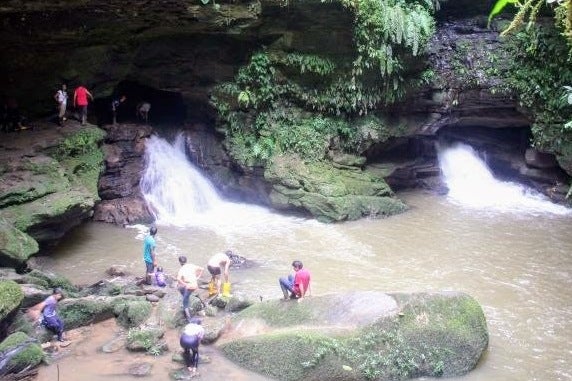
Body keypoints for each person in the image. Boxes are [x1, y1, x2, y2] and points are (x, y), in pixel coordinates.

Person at [177, 255, 204, 322]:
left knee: (184, 302)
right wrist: (198, 277)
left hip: (189, 287)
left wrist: (185, 284)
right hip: (195, 285)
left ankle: (189, 318)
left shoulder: (181, 269)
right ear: (186, 261)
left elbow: (178, 279)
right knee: (181, 288)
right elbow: (202, 269)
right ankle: (186, 298)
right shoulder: (191, 265)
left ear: (180, 262)